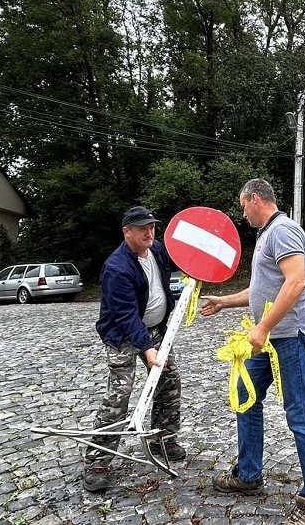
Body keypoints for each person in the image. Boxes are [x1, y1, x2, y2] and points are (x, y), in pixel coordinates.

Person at [200, 178, 305, 525]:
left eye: (243, 205)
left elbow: (296, 282)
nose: (242, 213)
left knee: (300, 413)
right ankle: (249, 474)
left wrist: (263, 326)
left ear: (255, 199)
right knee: (245, 396)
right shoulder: (266, 235)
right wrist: (224, 301)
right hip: (270, 338)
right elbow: (261, 290)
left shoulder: (283, 231)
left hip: (292, 336)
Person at [82, 205, 186, 493]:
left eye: (152, 227)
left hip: (156, 330)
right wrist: (147, 349)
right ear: (126, 231)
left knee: (169, 381)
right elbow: (126, 316)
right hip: (123, 335)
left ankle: (163, 440)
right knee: (120, 394)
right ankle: (97, 461)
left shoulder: (157, 250)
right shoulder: (117, 268)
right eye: (142, 228)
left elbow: (184, 260)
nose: (149, 232)